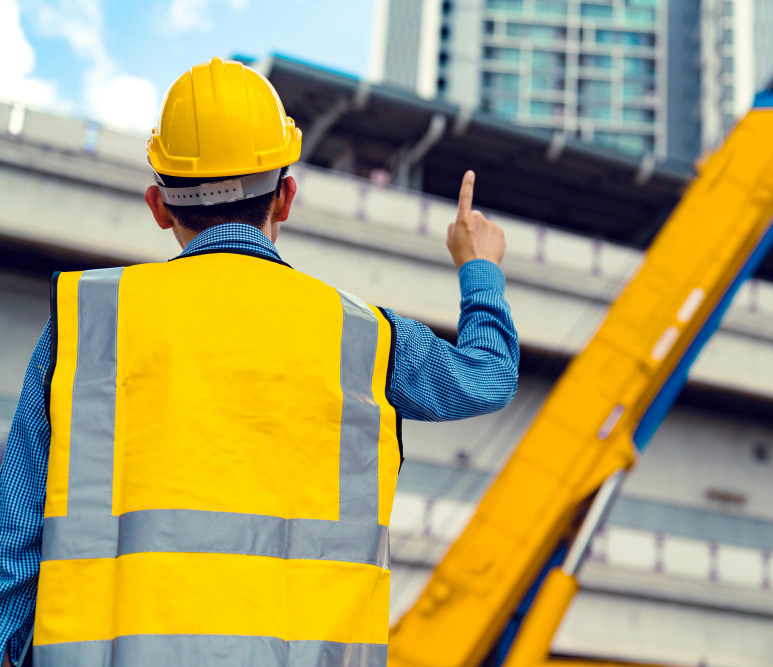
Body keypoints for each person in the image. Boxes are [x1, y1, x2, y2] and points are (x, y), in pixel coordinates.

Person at [0, 57, 518, 667]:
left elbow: (15, 545)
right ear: (287, 195)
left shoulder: (88, 320)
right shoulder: (365, 336)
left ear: (159, 205)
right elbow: (486, 377)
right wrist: (477, 266)